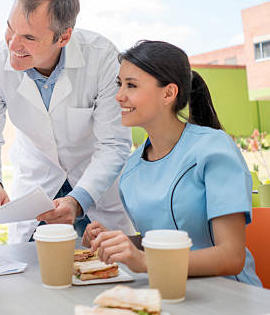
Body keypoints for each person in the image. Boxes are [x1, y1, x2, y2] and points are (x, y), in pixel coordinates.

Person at [0, 0, 134, 243]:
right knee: (30, 274)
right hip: (37, 182)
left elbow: (114, 144)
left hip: (95, 184)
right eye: (10, 28)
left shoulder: (102, 57)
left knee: (109, 270)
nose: (12, 45)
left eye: (29, 37)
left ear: (64, 36)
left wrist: (78, 199)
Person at [84, 40, 261, 286]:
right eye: (119, 84)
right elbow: (158, 240)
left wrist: (145, 262)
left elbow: (231, 257)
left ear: (168, 93)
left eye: (131, 85)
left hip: (230, 295)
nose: (119, 96)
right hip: (169, 289)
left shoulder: (213, 150)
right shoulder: (133, 166)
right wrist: (117, 243)